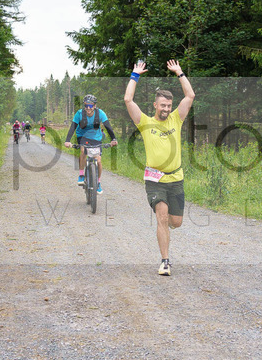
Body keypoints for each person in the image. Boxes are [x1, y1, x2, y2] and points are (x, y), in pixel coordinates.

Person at [124, 60, 195, 276]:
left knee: (176, 222)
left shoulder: (176, 119)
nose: (166, 109)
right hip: (155, 180)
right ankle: (165, 261)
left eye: (168, 106)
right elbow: (128, 100)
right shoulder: (145, 122)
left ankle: (168, 227)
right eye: (162, 105)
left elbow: (190, 96)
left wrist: (179, 73)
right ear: (155, 105)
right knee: (162, 217)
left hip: (176, 179)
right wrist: (135, 75)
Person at [64, 95, 118, 193]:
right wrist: (67, 140)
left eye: (91, 106)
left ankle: (98, 182)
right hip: (82, 136)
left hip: (96, 137)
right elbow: (72, 127)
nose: (88, 108)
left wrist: (113, 139)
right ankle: (81, 174)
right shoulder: (79, 114)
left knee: (98, 160)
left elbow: (108, 127)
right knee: (83, 151)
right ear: (84, 106)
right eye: (86, 106)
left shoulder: (100, 113)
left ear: (94, 106)